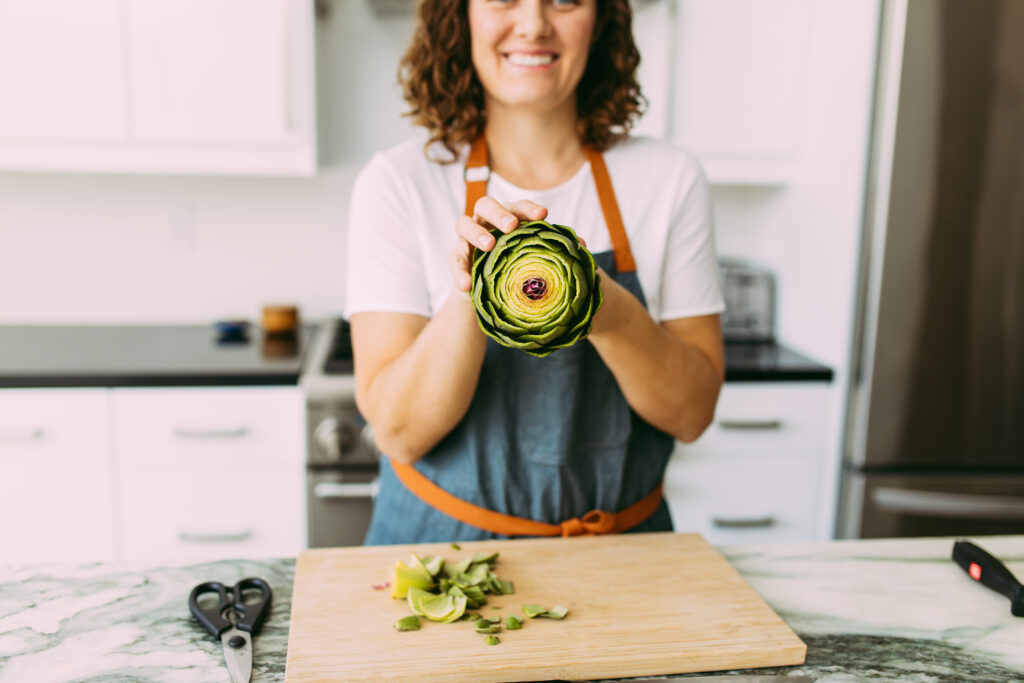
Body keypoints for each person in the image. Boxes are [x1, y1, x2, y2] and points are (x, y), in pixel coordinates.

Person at [345, 0, 725, 545]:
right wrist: (477, 292)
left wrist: (597, 303)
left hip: (624, 558)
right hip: (442, 551)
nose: (533, 23)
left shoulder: (669, 179)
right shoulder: (399, 183)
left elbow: (692, 413)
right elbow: (398, 433)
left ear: (602, 19)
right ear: (461, 16)